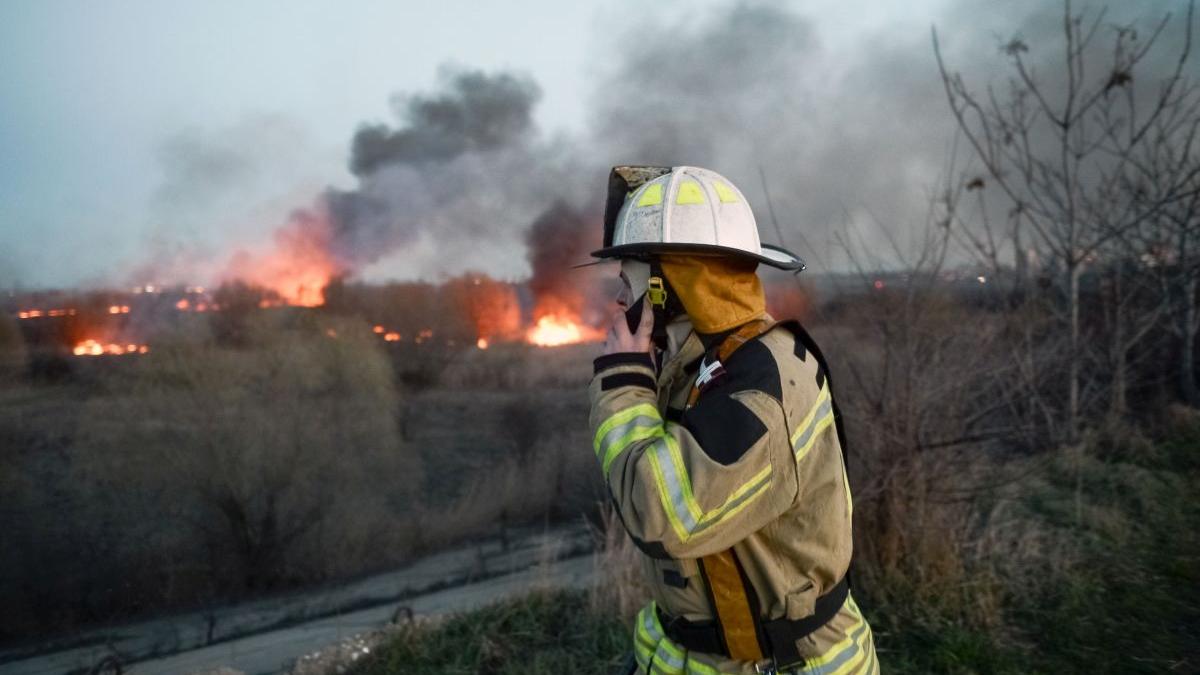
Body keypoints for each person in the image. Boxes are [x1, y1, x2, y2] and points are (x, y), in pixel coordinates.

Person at [588, 166, 878, 675]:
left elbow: (659, 515)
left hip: (784, 661)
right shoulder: (701, 363)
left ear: (666, 284)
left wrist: (623, 382)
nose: (618, 299)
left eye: (627, 280)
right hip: (687, 652)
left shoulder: (760, 381)